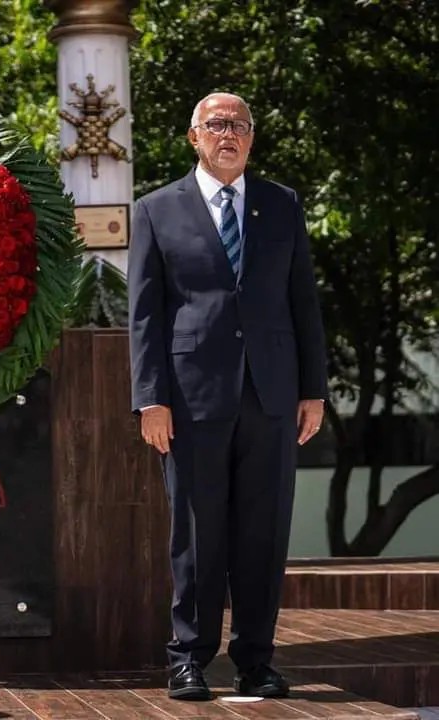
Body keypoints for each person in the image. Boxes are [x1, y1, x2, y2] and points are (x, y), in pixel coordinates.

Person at [127, 92, 327, 701]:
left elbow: (303, 304)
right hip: (189, 403)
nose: (228, 134)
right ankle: (187, 657)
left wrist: (313, 390)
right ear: (194, 137)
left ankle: (256, 661)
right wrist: (150, 398)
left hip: (272, 397)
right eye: (216, 125)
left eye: (239, 125)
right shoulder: (157, 209)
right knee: (196, 535)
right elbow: (145, 315)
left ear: (251, 137)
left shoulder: (281, 205)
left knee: (263, 536)